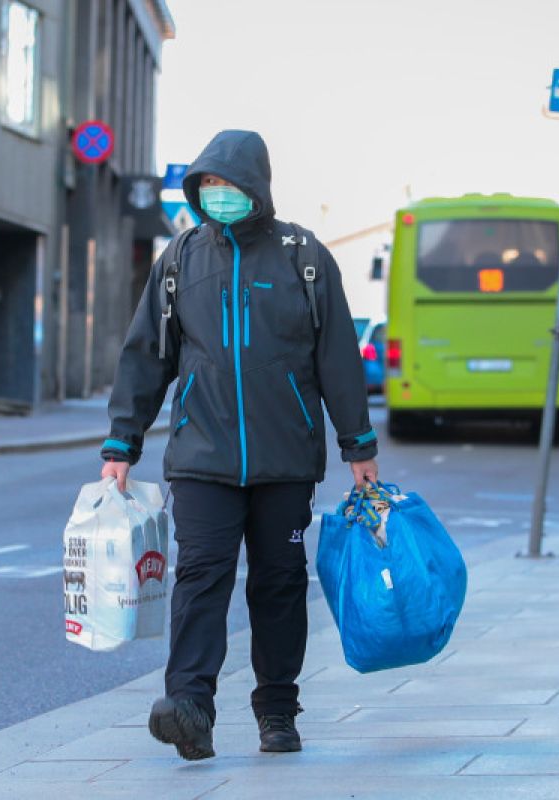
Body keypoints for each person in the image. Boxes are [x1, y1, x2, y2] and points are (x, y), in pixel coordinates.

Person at [99, 130, 379, 760]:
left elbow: (337, 357)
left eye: (229, 185)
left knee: (279, 583)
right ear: (198, 191)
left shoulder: (303, 257)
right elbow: (147, 356)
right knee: (200, 576)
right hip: (202, 457)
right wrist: (122, 442)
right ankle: (190, 706)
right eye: (209, 186)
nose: (219, 195)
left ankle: (278, 710)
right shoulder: (180, 262)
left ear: (257, 187)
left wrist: (357, 444)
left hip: (285, 458)